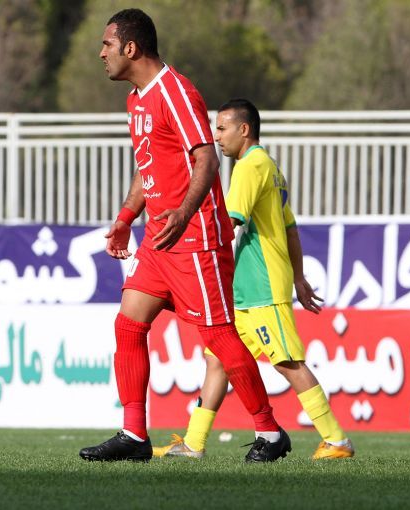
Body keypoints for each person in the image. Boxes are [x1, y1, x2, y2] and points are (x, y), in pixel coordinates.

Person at [79, 9, 290, 463]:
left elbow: (206, 159)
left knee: (220, 337)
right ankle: (134, 434)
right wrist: (127, 216)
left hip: (195, 236)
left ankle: (270, 432)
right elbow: (149, 166)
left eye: (107, 44)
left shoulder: (175, 91)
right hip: (159, 239)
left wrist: (184, 212)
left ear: (130, 47)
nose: (101, 53)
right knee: (128, 324)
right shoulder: (136, 100)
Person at [154, 99, 355, 460]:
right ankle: (194, 443)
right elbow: (289, 228)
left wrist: (184, 241)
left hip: (263, 285)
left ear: (243, 129)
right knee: (218, 359)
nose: (217, 137)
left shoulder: (250, 166)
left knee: (287, 361)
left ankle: (337, 440)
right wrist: (298, 277)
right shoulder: (271, 168)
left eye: (222, 128)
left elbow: (228, 223)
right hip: (247, 289)